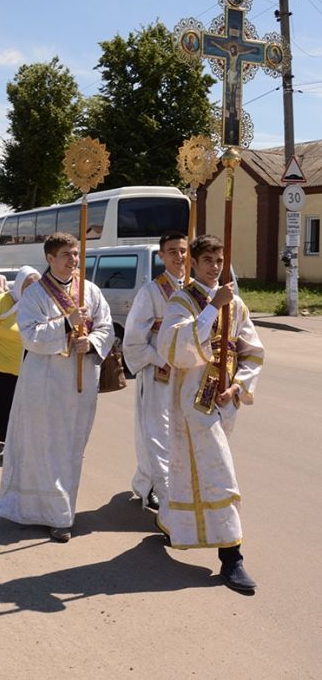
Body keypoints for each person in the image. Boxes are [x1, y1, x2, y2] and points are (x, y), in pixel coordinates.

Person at [157, 235, 264, 592]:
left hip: (225, 400)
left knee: (199, 470)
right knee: (221, 474)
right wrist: (212, 307)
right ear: (194, 264)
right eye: (208, 261)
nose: (215, 267)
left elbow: (252, 351)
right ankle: (231, 557)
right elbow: (174, 348)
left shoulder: (236, 303)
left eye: (220, 261)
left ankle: (173, 522)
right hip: (194, 402)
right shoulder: (182, 300)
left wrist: (239, 386)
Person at [0, 233, 114, 542]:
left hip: (79, 383)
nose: (74, 260)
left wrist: (91, 344)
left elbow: (107, 328)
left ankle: (61, 508)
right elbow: (30, 337)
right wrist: (65, 323)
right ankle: (55, 514)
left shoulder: (90, 290)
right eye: (66, 255)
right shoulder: (34, 295)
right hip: (43, 384)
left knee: (70, 447)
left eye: (76, 254)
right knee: (44, 447)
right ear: (50, 258)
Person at [123, 231, 188, 511]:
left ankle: (164, 483)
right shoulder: (150, 292)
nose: (179, 256)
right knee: (156, 433)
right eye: (172, 251)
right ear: (161, 256)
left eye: (184, 250)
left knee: (181, 433)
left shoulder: (195, 289)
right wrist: (160, 358)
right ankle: (157, 488)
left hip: (188, 374)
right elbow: (134, 339)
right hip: (158, 373)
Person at [0, 265, 40, 445]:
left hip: (31, 368)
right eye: (28, 284)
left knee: (28, 410)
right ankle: (9, 445)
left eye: (36, 285)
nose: (32, 289)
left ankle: (23, 444)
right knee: (8, 408)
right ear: (19, 283)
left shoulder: (38, 306)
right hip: (3, 368)